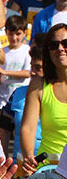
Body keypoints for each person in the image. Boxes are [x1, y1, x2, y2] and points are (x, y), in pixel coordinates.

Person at [20, 23, 67, 164]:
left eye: (65, 43)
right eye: (54, 45)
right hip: (49, 168)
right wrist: (28, 157)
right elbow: (28, 127)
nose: (60, 49)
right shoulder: (38, 85)